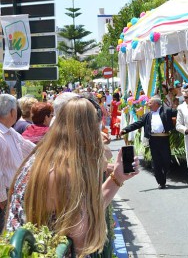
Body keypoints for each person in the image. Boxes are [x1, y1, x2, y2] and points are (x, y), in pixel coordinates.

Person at [5, 98, 139, 256]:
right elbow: (82, 241)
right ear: (91, 131)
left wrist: (117, 178)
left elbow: (82, 212)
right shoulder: (63, 172)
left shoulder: (44, 157)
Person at [120, 96, 176, 189]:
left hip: (164, 139)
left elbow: (180, 112)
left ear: (156, 104)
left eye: (150, 103)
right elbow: (137, 124)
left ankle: (165, 172)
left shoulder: (167, 111)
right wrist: (125, 130)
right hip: (153, 140)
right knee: (156, 161)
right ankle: (161, 182)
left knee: (166, 160)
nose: (147, 104)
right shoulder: (147, 115)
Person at [0, 94, 36, 231]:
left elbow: (29, 148)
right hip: (5, 195)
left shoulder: (9, 131)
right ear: (13, 112)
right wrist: (2, 199)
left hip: (11, 192)